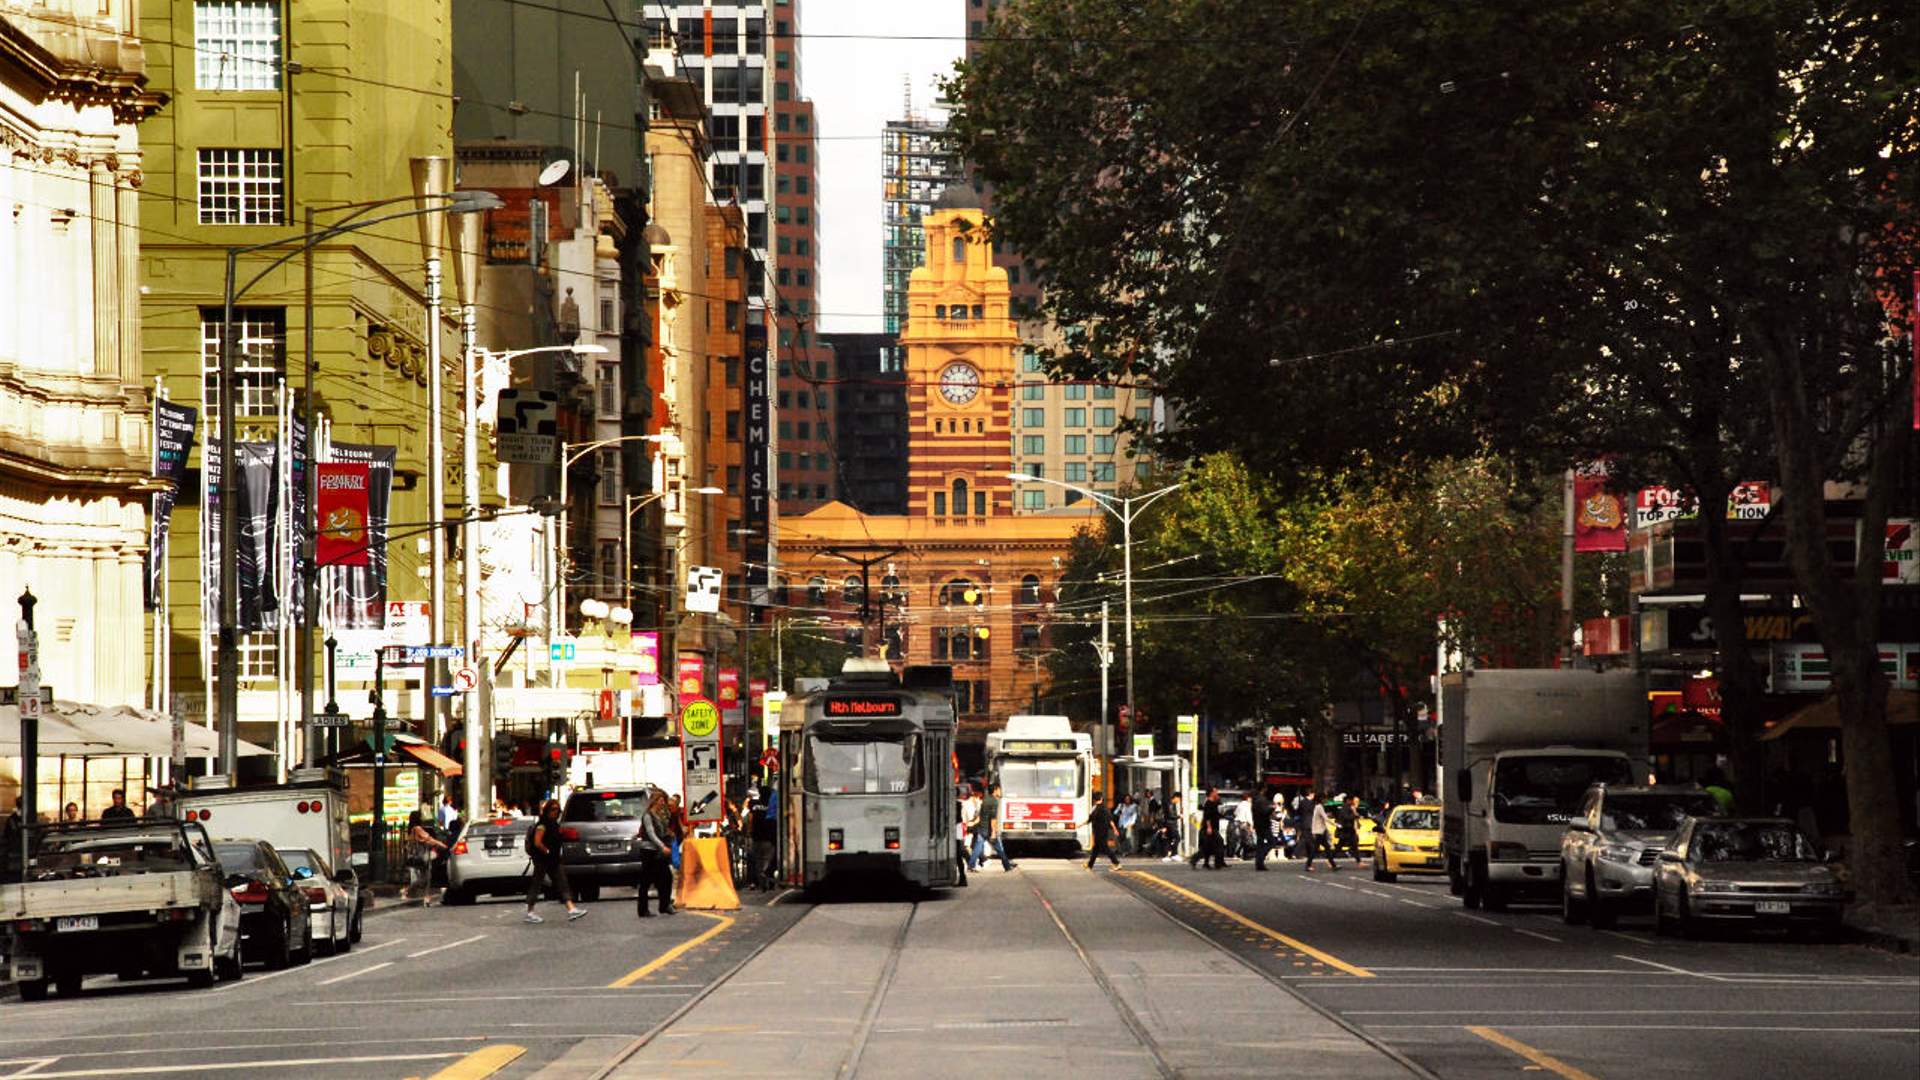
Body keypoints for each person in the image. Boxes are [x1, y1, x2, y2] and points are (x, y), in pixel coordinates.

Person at [523, 799, 587, 923]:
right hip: (542, 860)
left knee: (562, 882)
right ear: (547, 810)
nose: (555, 812)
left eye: (557, 809)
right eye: (552, 809)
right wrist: (547, 851)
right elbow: (537, 842)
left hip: (553, 860)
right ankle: (530, 912)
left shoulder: (554, 824)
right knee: (537, 884)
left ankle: (571, 908)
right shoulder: (542, 825)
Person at [636, 790, 675, 916]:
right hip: (649, 850)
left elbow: (661, 831)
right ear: (655, 801)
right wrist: (662, 846)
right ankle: (642, 910)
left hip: (658, 852)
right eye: (661, 800)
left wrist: (668, 834)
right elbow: (651, 833)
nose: (662, 803)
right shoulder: (648, 815)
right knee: (646, 881)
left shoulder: (660, 815)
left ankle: (664, 905)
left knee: (666, 877)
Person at [404, 810, 448, 902]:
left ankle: (424, 896)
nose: (422, 818)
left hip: (418, 855)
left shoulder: (412, 829)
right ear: (418, 818)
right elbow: (428, 839)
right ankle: (410, 891)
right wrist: (441, 845)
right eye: (420, 816)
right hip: (422, 855)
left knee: (426, 876)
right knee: (426, 877)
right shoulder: (417, 829)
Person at [973, 783, 1016, 871]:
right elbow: (993, 818)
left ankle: (971, 865)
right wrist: (993, 832)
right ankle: (1007, 866)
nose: (1000, 792)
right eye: (999, 790)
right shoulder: (994, 801)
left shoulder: (985, 799)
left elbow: (981, 815)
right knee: (999, 849)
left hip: (982, 827)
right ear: (995, 790)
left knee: (977, 847)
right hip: (988, 829)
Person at [749, 786, 778, 892]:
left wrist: (749, 832)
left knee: (758, 861)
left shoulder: (753, 804)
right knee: (768, 859)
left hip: (756, 836)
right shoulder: (772, 804)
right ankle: (769, 882)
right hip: (768, 836)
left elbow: (751, 819)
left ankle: (761, 884)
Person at [1086, 791, 1122, 870]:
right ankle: (1089, 865)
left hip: (1100, 831)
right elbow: (1110, 820)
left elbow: (1089, 819)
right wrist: (1115, 829)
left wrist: (1080, 825)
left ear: (1094, 800)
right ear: (1102, 799)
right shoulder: (1104, 808)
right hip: (1101, 831)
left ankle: (1116, 863)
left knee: (1105, 848)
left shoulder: (1096, 808)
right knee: (1096, 848)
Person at [1303, 793, 1339, 871]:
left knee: (1326, 848)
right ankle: (1308, 865)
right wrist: (1336, 824)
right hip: (1319, 832)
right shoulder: (1319, 807)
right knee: (1316, 849)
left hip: (1320, 831)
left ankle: (1333, 865)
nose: (1326, 800)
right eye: (1324, 798)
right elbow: (1326, 818)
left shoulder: (1317, 807)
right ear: (1321, 799)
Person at [1251, 785, 1276, 871]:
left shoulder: (1255, 800)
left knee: (1260, 843)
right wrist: (1272, 808)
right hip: (1264, 824)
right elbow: (1265, 811)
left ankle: (1259, 862)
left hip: (1258, 824)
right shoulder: (1261, 800)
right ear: (1263, 789)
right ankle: (1260, 859)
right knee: (1271, 842)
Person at [1335, 795, 1364, 865]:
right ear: (1348, 800)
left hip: (1349, 830)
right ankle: (1331, 858)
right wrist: (1355, 815)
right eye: (1352, 800)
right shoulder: (1345, 807)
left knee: (1354, 845)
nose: (1353, 802)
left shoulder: (1349, 807)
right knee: (1340, 846)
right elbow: (1346, 817)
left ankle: (1359, 861)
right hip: (1346, 830)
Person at [1160, 792, 1185, 862]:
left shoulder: (1169, 803)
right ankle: (1173, 854)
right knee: (1177, 838)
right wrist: (1179, 816)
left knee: (1168, 839)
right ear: (1176, 797)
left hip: (1167, 824)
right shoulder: (1170, 804)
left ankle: (1167, 855)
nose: (1179, 801)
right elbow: (1170, 816)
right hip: (1171, 825)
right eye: (1179, 799)